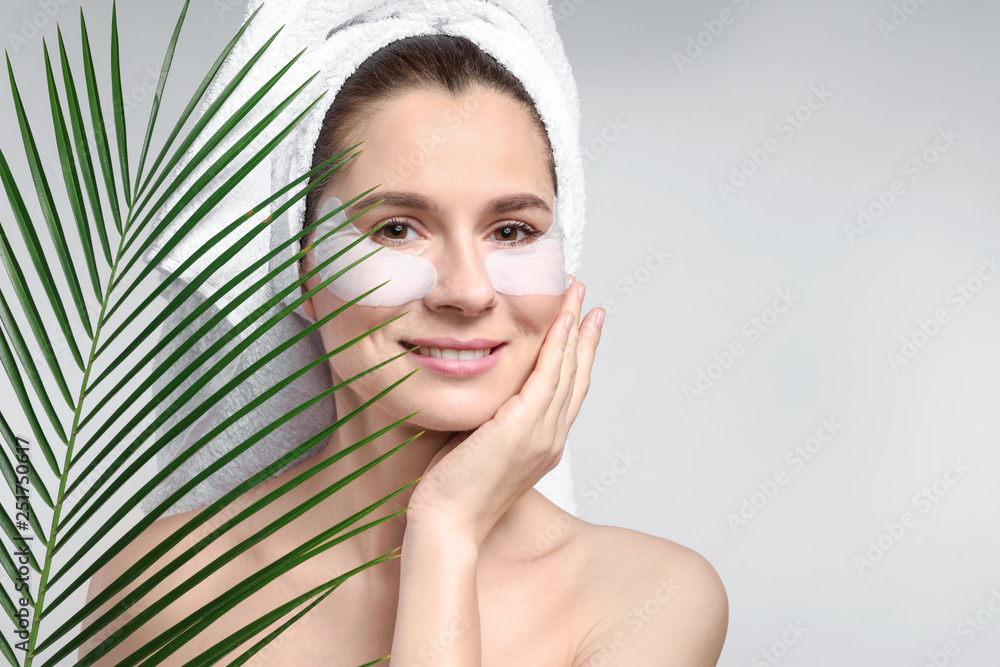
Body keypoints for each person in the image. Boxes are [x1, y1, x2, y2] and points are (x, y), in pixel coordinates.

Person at [83, 29, 727, 667]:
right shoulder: (165, 591)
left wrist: (446, 528)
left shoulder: (649, 597)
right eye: (397, 229)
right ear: (298, 268)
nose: (468, 292)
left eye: (511, 230)